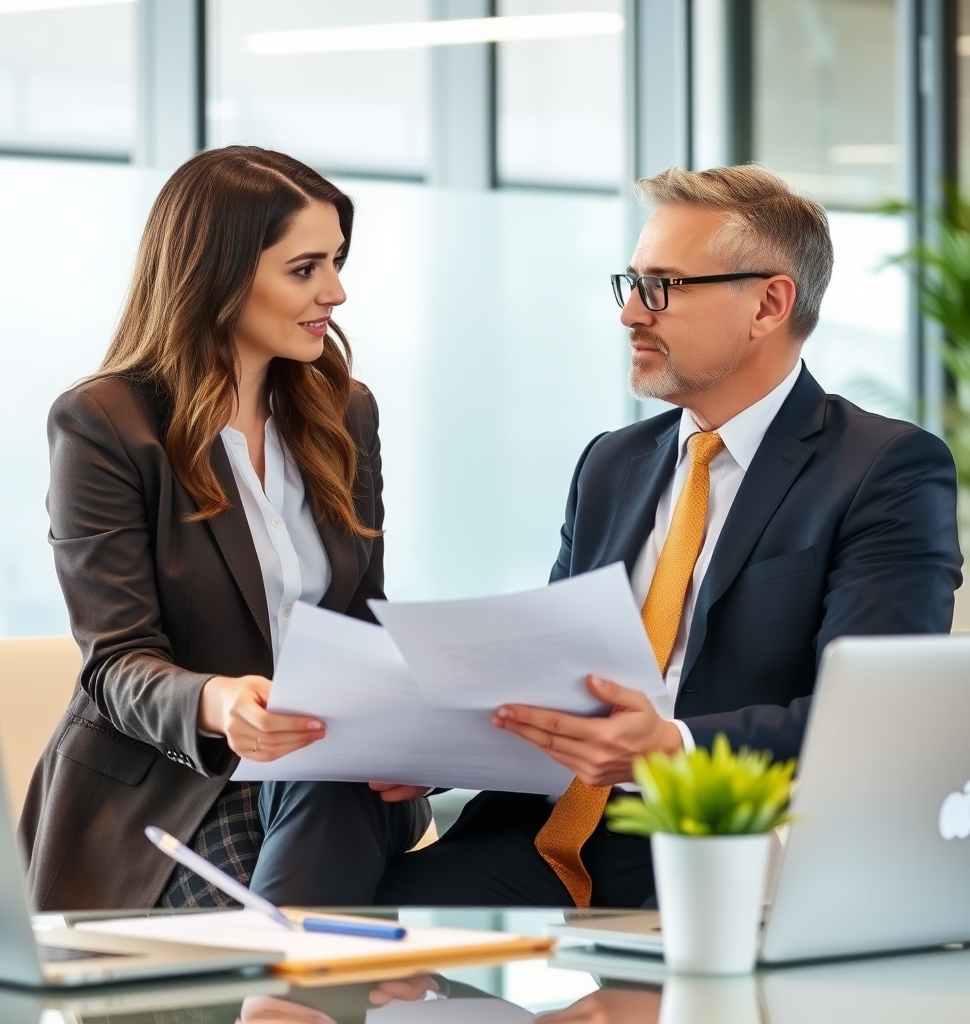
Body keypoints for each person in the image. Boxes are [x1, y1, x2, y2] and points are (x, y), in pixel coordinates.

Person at [374, 163, 963, 908]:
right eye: (631, 284)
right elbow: (560, 670)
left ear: (768, 304)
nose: (631, 314)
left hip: (713, 851)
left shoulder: (884, 468)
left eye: (663, 287)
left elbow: (875, 720)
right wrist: (443, 748)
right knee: (342, 931)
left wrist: (670, 747)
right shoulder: (612, 463)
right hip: (539, 836)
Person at [18, 146, 430, 911]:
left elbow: (362, 623)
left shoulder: (345, 412)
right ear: (220, 273)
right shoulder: (106, 423)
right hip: (175, 789)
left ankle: (284, 996)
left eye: (337, 262)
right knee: (317, 839)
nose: (336, 292)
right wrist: (221, 703)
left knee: (326, 783)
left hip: (325, 774)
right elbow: (115, 664)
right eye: (305, 269)